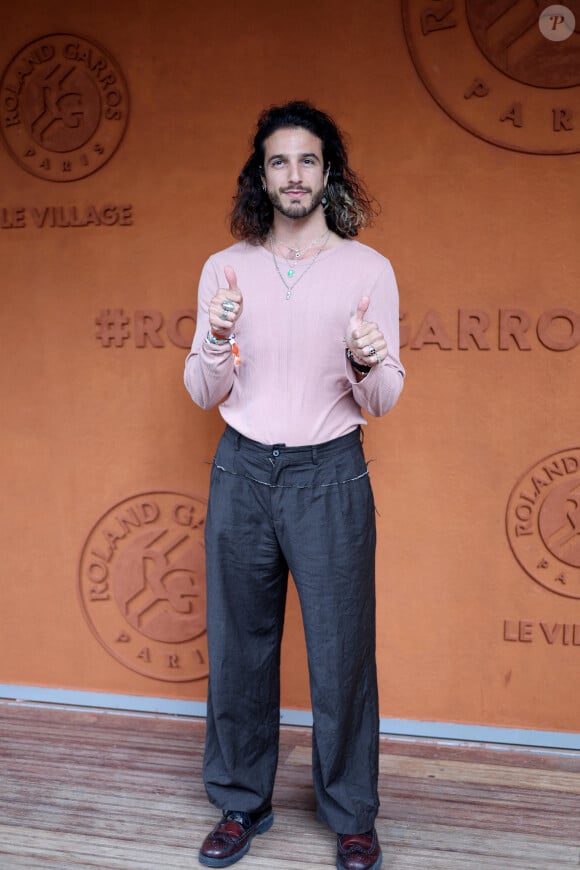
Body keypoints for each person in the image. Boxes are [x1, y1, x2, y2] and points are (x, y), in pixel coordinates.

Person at [184, 100, 405, 870]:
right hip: (242, 468)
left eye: (308, 159)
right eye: (279, 161)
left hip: (329, 474)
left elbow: (382, 399)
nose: (294, 174)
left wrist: (371, 359)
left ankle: (351, 815)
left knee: (342, 651)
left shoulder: (367, 270)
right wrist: (215, 336)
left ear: (328, 172)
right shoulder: (226, 267)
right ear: (262, 174)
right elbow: (201, 389)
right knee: (241, 648)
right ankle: (241, 804)